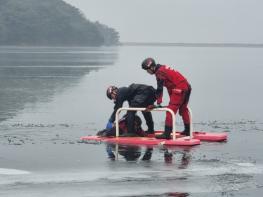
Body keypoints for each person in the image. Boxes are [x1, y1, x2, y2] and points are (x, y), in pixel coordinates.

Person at [141, 57, 192, 139]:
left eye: (147, 70)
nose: (147, 72)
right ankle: (188, 131)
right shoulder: (163, 68)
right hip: (187, 87)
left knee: (169, 111)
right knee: (183, 109)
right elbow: (170, 86)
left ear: (151, 67)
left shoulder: (159, 72)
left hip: (179, 89)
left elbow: (159, 89)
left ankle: (167, 134)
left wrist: (158, 103)